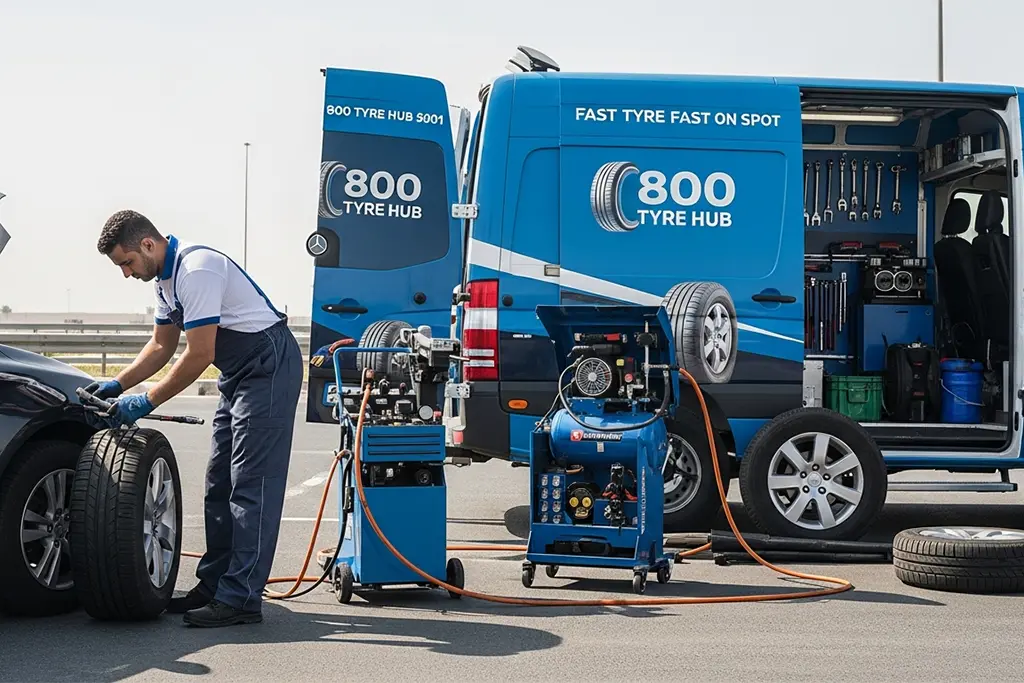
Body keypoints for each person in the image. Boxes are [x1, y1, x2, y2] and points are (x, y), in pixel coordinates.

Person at [87, 209, 304, 627]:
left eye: (127, 263)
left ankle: (241, 599)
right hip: (239, 371)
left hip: (268, 364)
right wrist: (117, 384)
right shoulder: (164, 282)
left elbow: (199, 354)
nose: (127, 274)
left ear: (147, 244)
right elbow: (161, 345)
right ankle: (215, 585)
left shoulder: (196, 269)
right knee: (218, 482)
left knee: (251, 483)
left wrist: (145, 401)